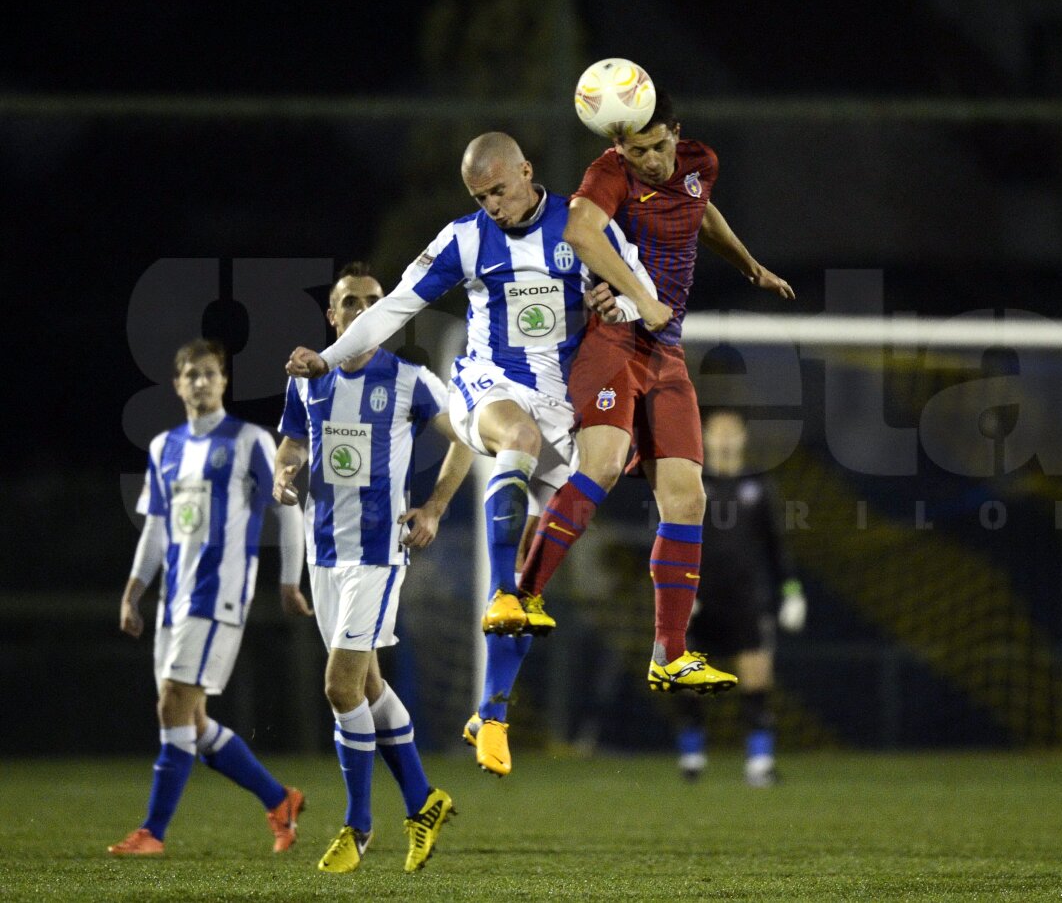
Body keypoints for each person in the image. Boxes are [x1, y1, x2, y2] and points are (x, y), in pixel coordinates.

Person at [284, 133, 657, 778]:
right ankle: (502, 597)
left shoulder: (583, 225)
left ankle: (491, 712)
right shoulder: (464, 238)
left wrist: (615, 299)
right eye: (480, 197)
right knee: (517, 442)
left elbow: (647, 296)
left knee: (534, 572)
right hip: (488, 385)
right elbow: (397, 305)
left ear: (527, 173)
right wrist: (330, 357)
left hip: (564, 405)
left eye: (500, 192)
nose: (493, 207)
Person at [517, 90, 796, 693]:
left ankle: (669, 652)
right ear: (618, 147)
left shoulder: (702, 164)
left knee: (687, 497)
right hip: (613, 339)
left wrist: (749, 264)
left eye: (656, 145)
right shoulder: (608, 173)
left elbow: (702, 212)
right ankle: (525, 595)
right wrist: (639, 299)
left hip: (665, 352)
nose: (647, 159)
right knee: (605, 466)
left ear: (676, 130)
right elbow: (581, 232)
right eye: (634, 149)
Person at [275, 262, 473, 874]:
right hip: (323, 551)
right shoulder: (307, 383)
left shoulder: (411, 381)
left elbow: (464, 440)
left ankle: (357, 828)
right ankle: (424, 801)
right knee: (366, 686)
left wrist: (435, 507)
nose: (360, 311)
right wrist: (285, 473)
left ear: (384, 318)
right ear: (332, 318)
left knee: (339, 686)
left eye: (372, 302)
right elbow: (291, 445)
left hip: (379, 552)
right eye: (348, 303)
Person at [109, 338, 310, 857]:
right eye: (190, 375)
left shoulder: (248, 442)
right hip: (174, 598)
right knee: (191, 723)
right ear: (177, 384)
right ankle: (279, 799)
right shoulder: (164, 448)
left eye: (209, 373)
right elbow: (155, 527)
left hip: (220, 593)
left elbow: (286, 509)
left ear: (223, 381)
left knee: (174, 704)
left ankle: (153, 832)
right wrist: (134, 591)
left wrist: (290, 580)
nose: (200, 382)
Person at [675, 409, 807, 787]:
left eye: (733, 432)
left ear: (743, 438)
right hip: (699, 599)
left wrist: (792, 592)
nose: (726, 439)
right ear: (705, 436)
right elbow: (670, 543)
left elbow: (777, 547)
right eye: (718, 432)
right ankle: (692, 756)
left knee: (756, 680)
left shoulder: (759, 484)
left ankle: (760, 763)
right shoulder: (690, 483)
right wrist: (678, 591)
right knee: (690, 681)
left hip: (749, 599)